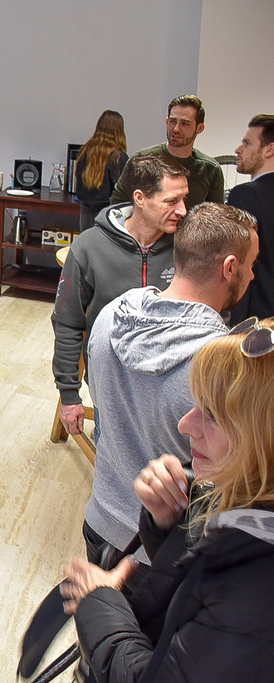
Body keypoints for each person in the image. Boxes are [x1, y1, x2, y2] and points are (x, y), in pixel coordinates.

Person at [62, 318, 274, 681]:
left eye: (212, 415)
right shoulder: (243, 502)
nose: (185, 425)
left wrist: (99, 603)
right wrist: (169, 522)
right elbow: (199, 593)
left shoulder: (256, 595)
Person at [83, 203, 259, 566]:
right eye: (252, 264)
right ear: (229, 267)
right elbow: (230, 476)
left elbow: (101, 411)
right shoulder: (223, 366)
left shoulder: (111, 315)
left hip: (100, 518)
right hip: (162, 550)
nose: (254, 275)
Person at [53, 155, 188, 437]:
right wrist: (69, 394)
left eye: (184, 199)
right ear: (140, 198)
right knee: (113, 457)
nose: (183, 210)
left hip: (172, 388)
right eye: (171, 201)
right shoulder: (89, 247)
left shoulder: (188, 247)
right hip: (111, 386)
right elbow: (67, 323)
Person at [111, 95, 223, 211]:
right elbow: (117, 205)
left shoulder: (210, 169)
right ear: (166, 122)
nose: (176, 129)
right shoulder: (142, 160)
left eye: (185, 124)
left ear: (199, 128)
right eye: (172, 121)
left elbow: (215, 215)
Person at [228, 114, 274, 324]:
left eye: (247, 143)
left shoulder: (246, 194)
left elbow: (237, 264)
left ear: (269, 149)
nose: (238, 149)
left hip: (258, 320)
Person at [74, 110, 129, 230]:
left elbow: (78, 180)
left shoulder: (84, 151)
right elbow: (123, 191)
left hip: (85, 211)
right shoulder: (118, 156)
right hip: (108, 215)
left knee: (87, 240)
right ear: (119, 130)